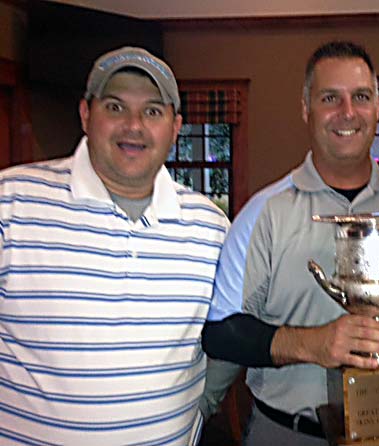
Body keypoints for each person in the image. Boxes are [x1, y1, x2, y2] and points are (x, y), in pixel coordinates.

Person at [200, 41, 379, 445]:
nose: (347, 112)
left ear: (377, 107)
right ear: (306, 109)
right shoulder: (264, 213)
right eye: (330, 98)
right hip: (288, 433)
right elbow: (222, 331)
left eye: (361, 97)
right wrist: (313, 344)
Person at [0, 46, 229, 444]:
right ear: (86, 115)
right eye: (116, 107)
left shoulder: (211, 227)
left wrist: (200, 409)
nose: (134, 126)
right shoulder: (11, 202)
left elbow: (228, 334)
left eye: (153, 112)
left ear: (175, 128)